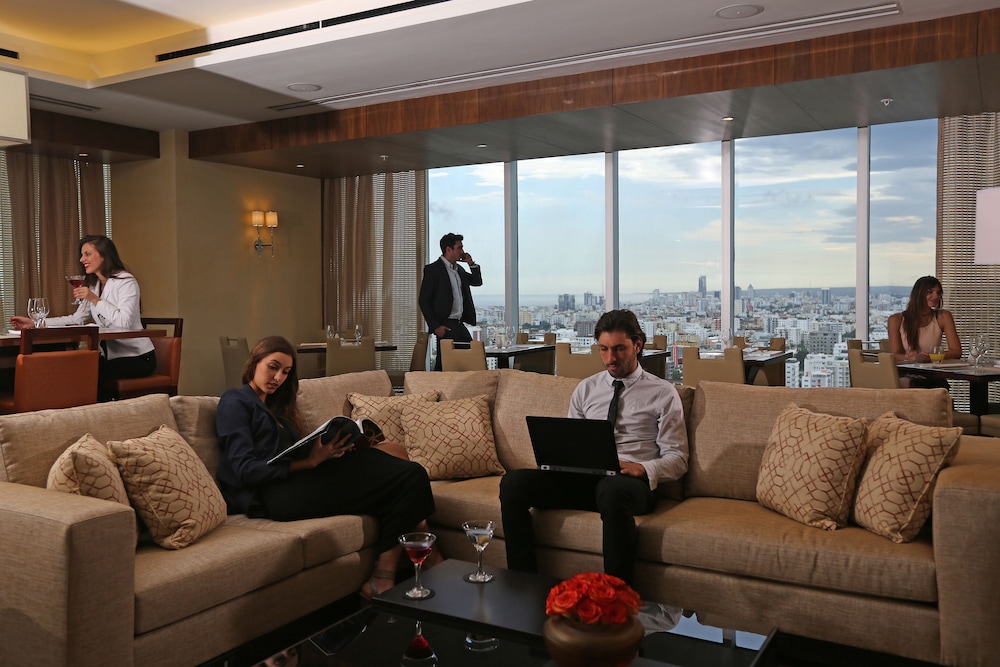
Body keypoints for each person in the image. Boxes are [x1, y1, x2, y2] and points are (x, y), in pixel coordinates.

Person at [215, 336, 439, 599]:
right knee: (410, 475)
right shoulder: (235, 401)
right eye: (272, 367)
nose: (278, 377)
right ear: (254, 363)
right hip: (275, 494)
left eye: (286, 372)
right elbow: (243, 469)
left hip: (302, 479)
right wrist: (309, 462)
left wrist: (333, 451)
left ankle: (387, 577)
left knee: (398, 461)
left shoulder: (278, 408)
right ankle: (409, 566)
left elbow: (295, 452)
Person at [499, 309, 688, 588]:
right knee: (513, 483)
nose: (610, 358)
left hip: (630, 486)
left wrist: (642, 468)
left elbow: (678, 458)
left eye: (619, 349)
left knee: (612, 490)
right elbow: (572, 442)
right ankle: (523, 583)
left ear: (637, 345)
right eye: (604, 349)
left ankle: (617, 594)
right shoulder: (586, 389)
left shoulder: (662, 392)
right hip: (584, 481)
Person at [9, 234, 155, 393]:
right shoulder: (94, 285)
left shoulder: (126, 281)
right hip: (111, 357)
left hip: (138, 358)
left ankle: (98, 407)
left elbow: (124, 322)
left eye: (87, 254)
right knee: (70, 368)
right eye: (82, 255)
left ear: (104, 255)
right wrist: (36, 323)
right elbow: (76, 319)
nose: (81, 259)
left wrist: (94, 299)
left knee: (88, 373)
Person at [418, 232, 483, 371]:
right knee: (445, 364)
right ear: (449, 249)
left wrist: (471, 263)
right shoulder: (433, 270)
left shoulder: (458, 269)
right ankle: (435, 383)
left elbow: (477, 281)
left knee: (468, 358)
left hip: (458, 323)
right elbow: (424, 300)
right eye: (459, 247)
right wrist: (436, 326)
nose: (462, 251)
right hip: (445, 325)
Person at [887, 276, 961, 388]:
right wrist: (913, 358)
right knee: (907, 383)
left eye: (938, 293)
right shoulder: (896, 320)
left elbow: (956, 351)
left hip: (933, 374)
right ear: (918, 294)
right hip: (907, 372)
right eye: (930, 292)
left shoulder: (943, 316)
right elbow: (895, 354)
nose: (936, 296)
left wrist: (932, 357)